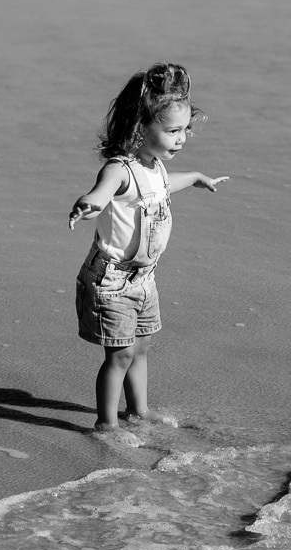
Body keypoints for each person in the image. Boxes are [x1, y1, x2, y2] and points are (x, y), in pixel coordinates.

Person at [69, 63, 228, 446]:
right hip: (112, 278)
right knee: (120, 354)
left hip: (144, 277)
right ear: (140, 127)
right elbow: (103, 191)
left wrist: (194, 178)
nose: (181, 138)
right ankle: (106, 425)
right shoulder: (121, 169)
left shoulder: (154, 167)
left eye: (185, 130)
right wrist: (89, 204)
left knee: (141, 347)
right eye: (172, 131)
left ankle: (138, 411)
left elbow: (163, 186)